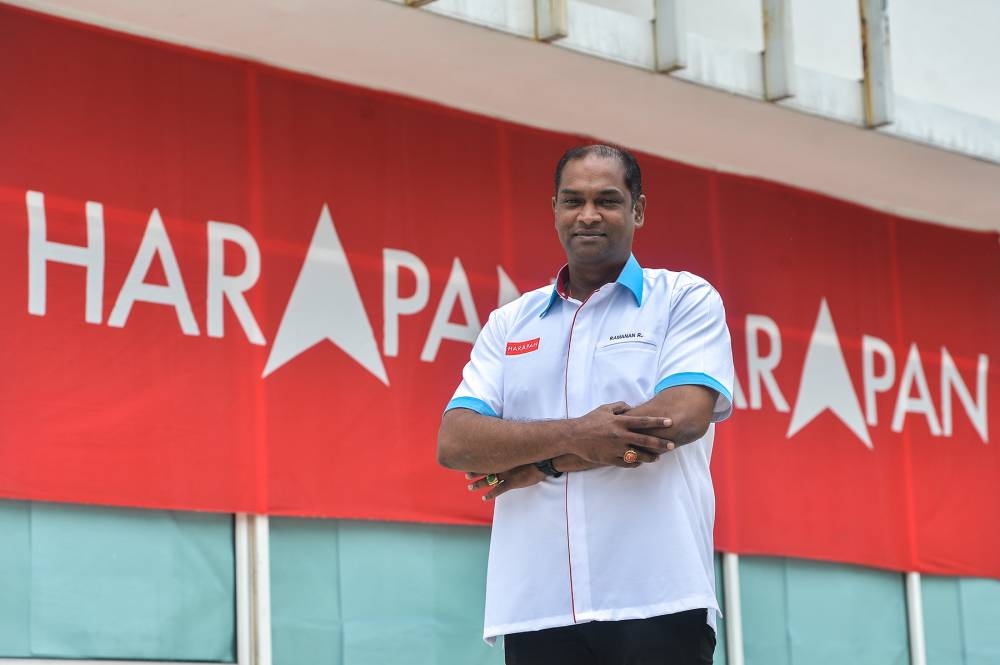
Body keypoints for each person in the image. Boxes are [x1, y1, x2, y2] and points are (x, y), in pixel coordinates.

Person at [437, 144, 735, 665]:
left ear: (638, 210)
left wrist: (541, 462)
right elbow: (457, 440)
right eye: (573, 200)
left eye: (608, 200)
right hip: (536, 606)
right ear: (554, 209)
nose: (588, 214)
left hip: (657, 598)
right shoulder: (510, 323)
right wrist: (577, 435)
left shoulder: (684, 298)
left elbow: (679, 418)